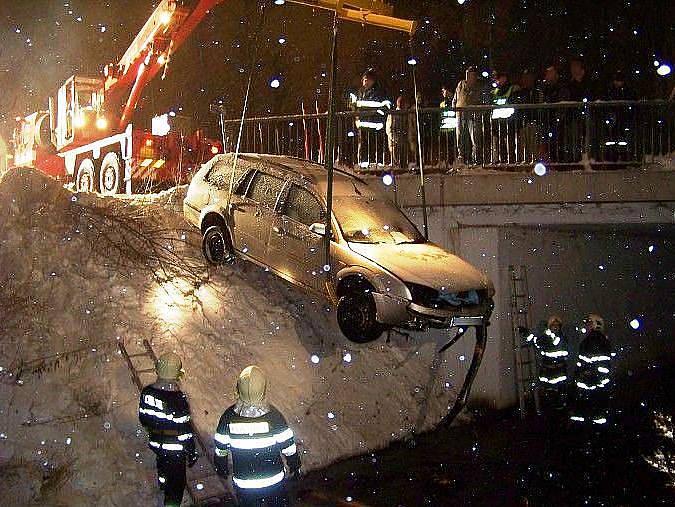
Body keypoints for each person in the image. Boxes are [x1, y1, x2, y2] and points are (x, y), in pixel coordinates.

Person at [214, 365, 300, 506]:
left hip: (245, 484)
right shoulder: (274, 417)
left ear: (239, 387)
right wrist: (294, 464)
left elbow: (221, 448)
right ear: (263, 388)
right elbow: (288, 447)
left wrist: (221, 466)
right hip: (274, 482)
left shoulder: (228, 417)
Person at [139, 352, 198, 507]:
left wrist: (157, 429)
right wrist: (191, 451)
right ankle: (171, 502)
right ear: (177, 373)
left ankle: (163, 484)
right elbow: (185, 431)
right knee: (177, 483)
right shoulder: (178, 399)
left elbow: (143, 418)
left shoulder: (147, 392)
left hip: (157, 442)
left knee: (163, 466)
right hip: (175, 448)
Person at [570, 314, 613, 426]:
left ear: (596, 325)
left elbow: (601, 362)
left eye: (589, 323)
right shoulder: (593, 339)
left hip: (593, 381)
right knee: (594, 406)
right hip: (590, 381)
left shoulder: (596, 340)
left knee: (594, 406)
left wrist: (591, 374)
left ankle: (593, 427)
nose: (587, 326)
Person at [351, 68, 391, 169]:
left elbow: (386, 105)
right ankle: (364, 165)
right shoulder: (360, 92)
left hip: (375, 125)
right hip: (363, 125)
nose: (365, 82)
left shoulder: (379, 92)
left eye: (367, 80)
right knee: (364, 146)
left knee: (375, 145)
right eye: (364, 80)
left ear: (372, 80)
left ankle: (376, 165)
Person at [533, 315, 570, 415]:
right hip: (548, 372)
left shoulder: (562, 338)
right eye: (553, 325)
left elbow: (564, 350)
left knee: (559, 397)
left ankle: (559, 413)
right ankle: (549, 414)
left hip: (559, 372)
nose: (555, 327)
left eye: (557, 325)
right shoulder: (546, 338)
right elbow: (537, 342)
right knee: (548, 395)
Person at [452, 66, 484, 164]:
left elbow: (482, 101)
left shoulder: (478, 86)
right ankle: (461, 157)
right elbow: (455, 97)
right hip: (460, 114)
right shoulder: (461, 84)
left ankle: (476, 160)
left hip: (473, 115)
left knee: (475, 138)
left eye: (471, 74)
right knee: (460, 137)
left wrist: (479, 112)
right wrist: (454, 107)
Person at [490, 71, 519, 164]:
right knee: (500, 145)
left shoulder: (513, 89)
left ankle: (510, 163)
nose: (497, 81)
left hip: (509, 123)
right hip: (497, 123)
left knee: (510, 145)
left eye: (498, 78)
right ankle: (501, 162)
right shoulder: (494, 92)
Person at [386, 95, 416, 169]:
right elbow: (389, 128)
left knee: (405, 157)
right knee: (397, 157)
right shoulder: (393, 114)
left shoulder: (407, 113)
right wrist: (395, 138)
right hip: (396, 140)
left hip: (405, 138)